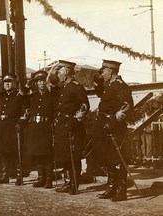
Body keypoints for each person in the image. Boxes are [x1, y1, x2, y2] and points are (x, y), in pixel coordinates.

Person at [92, 59, 133, 201]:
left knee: (118, 159)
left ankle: (121, 191)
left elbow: (127, 107)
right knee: (108, 158)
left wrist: (113, 122)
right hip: (104, 125)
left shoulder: (120, 86)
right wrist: (97, 82)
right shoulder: (109, 85)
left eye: (104, 71)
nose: (102, 73)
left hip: (115, 127)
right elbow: (100, 94)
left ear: (111, 71)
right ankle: (111, 188)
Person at [48, 60, 90, 195]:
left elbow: (84, 106)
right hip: (62, 125)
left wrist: (74, 120)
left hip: (72, 126)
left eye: (60, 72)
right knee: (64, 155)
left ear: (66, 72)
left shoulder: (76, 87)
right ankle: (67, 181)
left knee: (74, 156)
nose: (59, 75)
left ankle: (74, 184)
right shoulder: (63, 87)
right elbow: (51, 82)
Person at [22, 70, 54, 189]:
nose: (41, 83)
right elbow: (20, 100)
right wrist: (26, 87)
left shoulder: (51, 96)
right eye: (39, 81)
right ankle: (41, 178)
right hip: (34, 127)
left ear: (46, 82)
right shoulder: (32, 96)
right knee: (37, 154)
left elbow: (55, 111)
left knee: (46, 154)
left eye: (43, 81)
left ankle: (49, 179)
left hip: (45, 127)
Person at [0, 74, 26, 185]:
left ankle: (19, 176)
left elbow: (25, 111)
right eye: (5, 82)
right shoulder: (1, 95)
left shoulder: (19, 96)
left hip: (13, 126)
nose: (7, 83)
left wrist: (20, 123)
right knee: (2, 151)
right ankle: (5, 175)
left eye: (10, 81)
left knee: (15, 152)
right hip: (2, 126)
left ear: (15, 83)